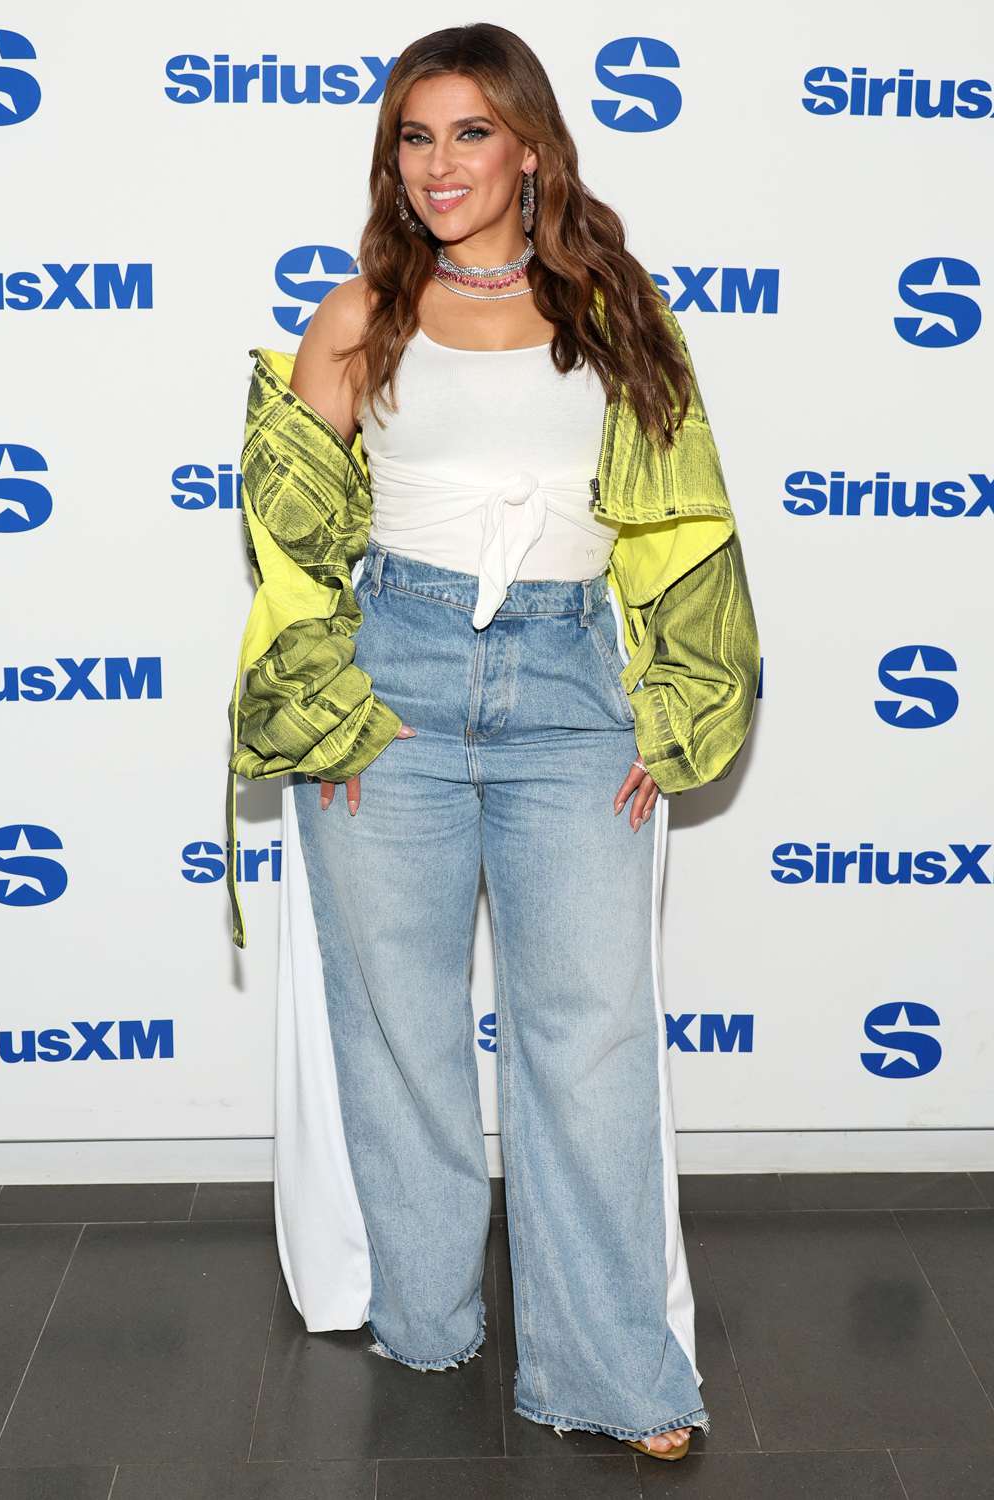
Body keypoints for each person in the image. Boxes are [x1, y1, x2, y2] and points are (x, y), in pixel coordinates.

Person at [225, 23, 760, 1463]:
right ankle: (429, 1314)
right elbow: (292, 544)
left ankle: (613, 1373)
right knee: (400, 1031)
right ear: (390, 160)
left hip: (568, 685)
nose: (441, 164)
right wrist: (321, 696)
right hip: (389, 686)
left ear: (530, 146)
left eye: (470, 133)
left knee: (584, 1044)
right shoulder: (354, 319)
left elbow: (686, 528)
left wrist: (683, 701)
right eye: (415, 137)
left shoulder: (617, 309)